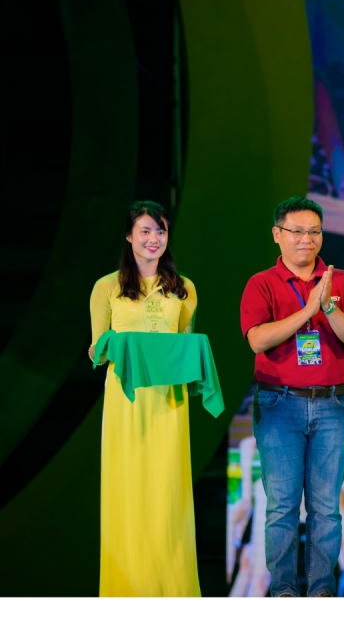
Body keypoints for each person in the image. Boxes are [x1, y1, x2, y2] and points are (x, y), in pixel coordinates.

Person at [239, 196, 344, 596]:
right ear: (277, 235)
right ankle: (283, 592)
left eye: (314, 231)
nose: (306, 239)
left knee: (326, 508)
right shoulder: (261, 283)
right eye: (297, 231)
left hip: (334, 403)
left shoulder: (341, 281)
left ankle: (321, 591)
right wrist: (307, 310)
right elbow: (257, 340)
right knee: (282, 506)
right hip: (279, 405)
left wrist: (327, 307)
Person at [88, 200, 200, 596]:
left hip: (169, 401)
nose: (154, 239)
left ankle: (172, 589)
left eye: (161, 231)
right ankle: (126, 590)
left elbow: (185, 346)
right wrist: (119, 345)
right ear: (129, 236)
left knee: (168, 492)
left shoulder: (184, 288)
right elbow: (96, 351)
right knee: (128, 488)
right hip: (127, 399)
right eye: (146, 231)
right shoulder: (106, 287)